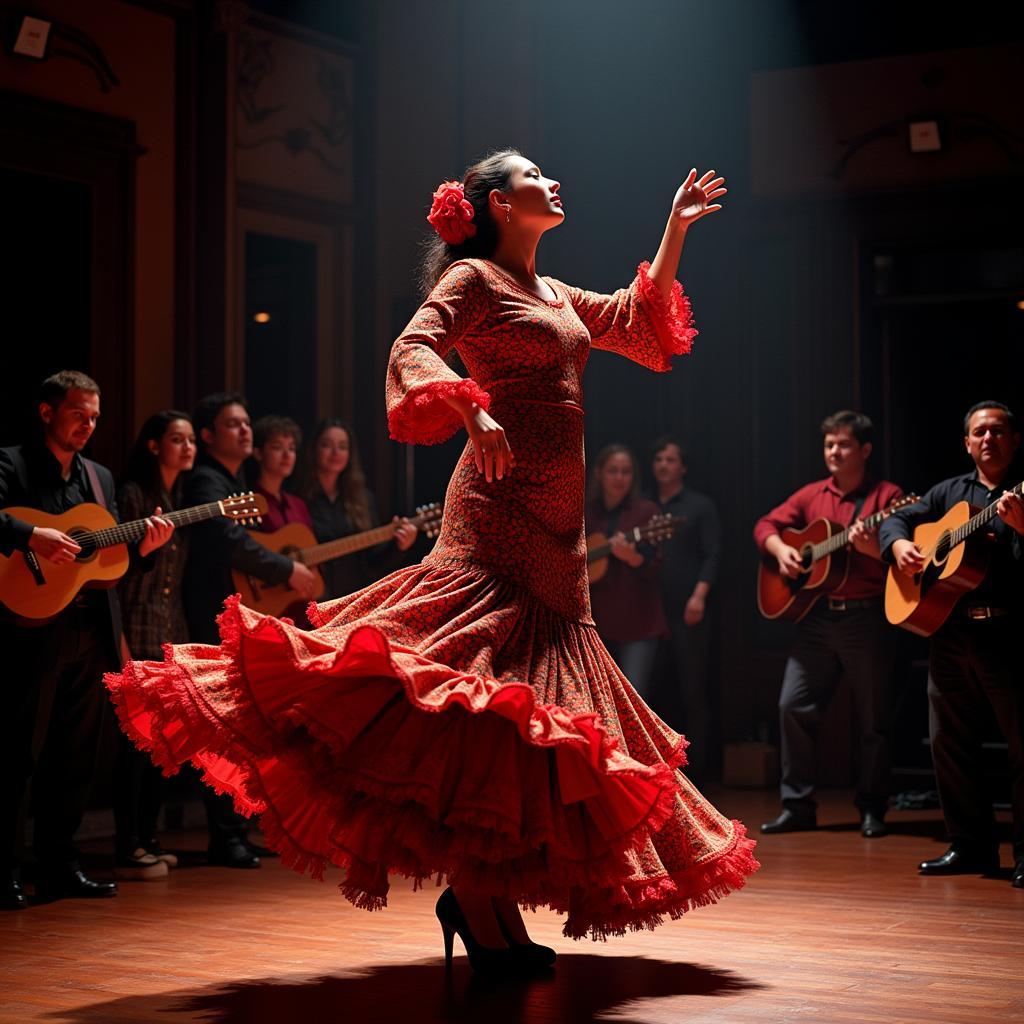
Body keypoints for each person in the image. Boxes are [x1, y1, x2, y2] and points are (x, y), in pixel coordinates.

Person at [108, 150, 756, 966]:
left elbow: (636, 318)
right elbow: (413, 347)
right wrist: (469, 409)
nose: (553, 181)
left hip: (557, 535)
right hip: (494, 515)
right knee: (483, 705)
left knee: (520, 725)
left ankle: (484, 901)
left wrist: (674, 229)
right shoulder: (476, 282)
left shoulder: (554, 294)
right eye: (532, 175)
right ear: (493, 204)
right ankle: (483, 912)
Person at [0, 372, 173, 910]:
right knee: (16, 754)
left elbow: (108, 558)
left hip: (89, 629)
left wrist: (145, 546)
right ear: (48, 412)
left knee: (74, 754)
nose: (88, 425)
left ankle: (60, 866)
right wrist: (31, 535)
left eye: (95, 417)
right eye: (78, 413)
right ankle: (3, 870)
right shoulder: (11, 463)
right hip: (29, 628)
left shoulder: (98, 478)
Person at [878, 401, 1024, 887]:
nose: (988, 439)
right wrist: (898, 546)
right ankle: (970, 845)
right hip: (949, 632)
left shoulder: (1019, 495)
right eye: (980, 432)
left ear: (1015, 440)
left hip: (1009, 635)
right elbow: (895, 522)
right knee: (950, 744)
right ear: (967, 443)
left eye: (998, 431)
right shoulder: (948, 493)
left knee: (1021, 749)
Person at [181, 393, 318, 868]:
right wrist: (285, 568)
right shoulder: (204, 480)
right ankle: (226, 834)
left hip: (231, 611)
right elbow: (227, 541)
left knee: (240, 728)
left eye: (246, 424)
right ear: (207, 435)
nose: (245, 431)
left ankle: (235, 829)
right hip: (207, 612)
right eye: (234, 424)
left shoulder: (234, 480)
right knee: (221, 725)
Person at [754, 410, 902, 839]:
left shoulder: (889, 497)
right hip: (816, 620)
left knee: (873, 719)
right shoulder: (811, 495)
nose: (834, 452)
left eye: (844, 445)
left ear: (865, 450)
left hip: (865, 618)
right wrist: (782, 550)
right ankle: (797, 806)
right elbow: (764, 525)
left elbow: (901, 556)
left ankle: (873, 807)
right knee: (790, 707)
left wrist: (873, 548)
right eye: (829, 445)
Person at [113, 410, 196, 881]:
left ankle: (148, 838)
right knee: (133, 744)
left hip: (169, 628)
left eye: (190, 440)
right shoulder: (132, 495)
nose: (186, 447)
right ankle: (129, 844)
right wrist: (119, 637)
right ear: (153, 445)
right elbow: (116, 573)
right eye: (176, 439)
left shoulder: (177, 497)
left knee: (161, 743)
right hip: (135, 627)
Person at [650, 437, 721, 780]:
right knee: (653, 689)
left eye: (671, 459)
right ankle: (660, 769)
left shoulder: (699, 505)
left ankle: (701, 774)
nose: (664, 464)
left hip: (687, 609)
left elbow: (712, 555)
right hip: (650, 611)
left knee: (692, 689)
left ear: (683, 467)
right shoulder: (644, 505)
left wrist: (699, 597)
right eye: (659, 459)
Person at [295, 418, 417, 600]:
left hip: (353, 599)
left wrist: (399, 546)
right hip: (309, 600)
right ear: (314, 449)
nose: (336, 452)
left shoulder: (363, 500)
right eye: (327, 445)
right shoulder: (297, 498)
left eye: (343, 446)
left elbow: (374, 563)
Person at [585, 444, 667, 700]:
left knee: (633, 701)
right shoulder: (585, 512)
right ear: (599, 474)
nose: (619, 478)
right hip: (594, 626)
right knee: (596, 702)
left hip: (637, 623)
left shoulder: (646, 513)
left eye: (626, 472)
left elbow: (656, 569)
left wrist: (634, 558)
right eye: (613, 471)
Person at [251, 415, 317, 625]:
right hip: (263, 607)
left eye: (292, 448)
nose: (287, 455)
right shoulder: (247, 502)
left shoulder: (299, 504)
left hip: (298, 607)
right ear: (258, 453)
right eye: (277, 447)